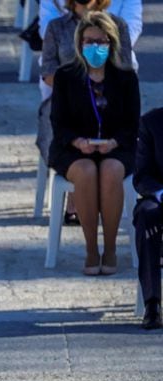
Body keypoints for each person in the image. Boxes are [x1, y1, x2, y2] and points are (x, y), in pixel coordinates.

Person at [49, 11, 139, 275]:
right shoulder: (66, 76)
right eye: (89, 41)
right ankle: (91, 249)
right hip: (73, 148)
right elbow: (58, 123)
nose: (94, 47)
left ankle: (109, 247)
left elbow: (132, 125)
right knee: (87, 171)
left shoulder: (125, 78)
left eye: (101, 41)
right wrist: (78, 142)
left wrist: (113, 142)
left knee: (111, 171)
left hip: (116, 147)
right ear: (80, 44)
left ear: (111, 43)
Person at [38, 1, 133, 226]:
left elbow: (126, 69)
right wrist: (78, 87)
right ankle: (77, 195)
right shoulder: (56, 27)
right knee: (66, 118)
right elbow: (48, 71)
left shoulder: (118, 26)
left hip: (109, 100)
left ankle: (100, 194)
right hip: (65, 101)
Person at [132, 107, 163, 329]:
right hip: (160, 198)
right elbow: (142, 176)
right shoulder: (151, 122)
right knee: (146, 214)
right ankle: (152, 304)